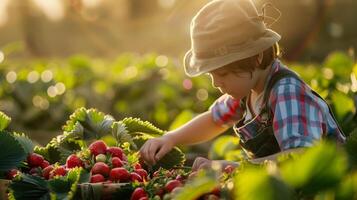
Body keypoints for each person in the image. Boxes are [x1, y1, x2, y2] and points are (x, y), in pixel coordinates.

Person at [139, 0, 346, 171]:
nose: (216, 82)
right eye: (211, 74)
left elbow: (301, 158)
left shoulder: (286, 92)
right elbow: (214, 120)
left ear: (255, 58)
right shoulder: (249, 91)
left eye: (222, 73)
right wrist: (171, 138)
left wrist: (229, 168)